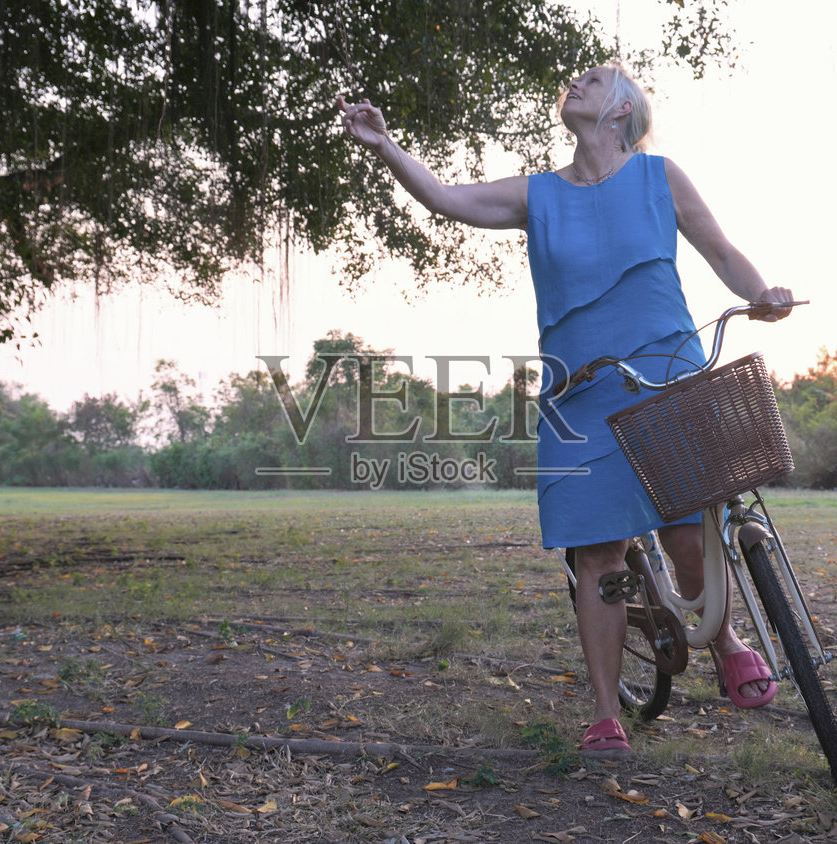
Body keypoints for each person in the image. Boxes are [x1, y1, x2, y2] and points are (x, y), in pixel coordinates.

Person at [336, 64, 794, 753]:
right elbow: (445, 198)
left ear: (622, 113)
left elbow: (721, 250)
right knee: (599, 558)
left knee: (689, 536)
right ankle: (607, 711)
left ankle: (725, 639)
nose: (576, 81)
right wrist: (385, 145)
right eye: (577, 77)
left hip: (668, 373)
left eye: (596, 78)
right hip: (580, 392)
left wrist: (764, 295)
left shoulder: (658, 177)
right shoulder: (538, 193)